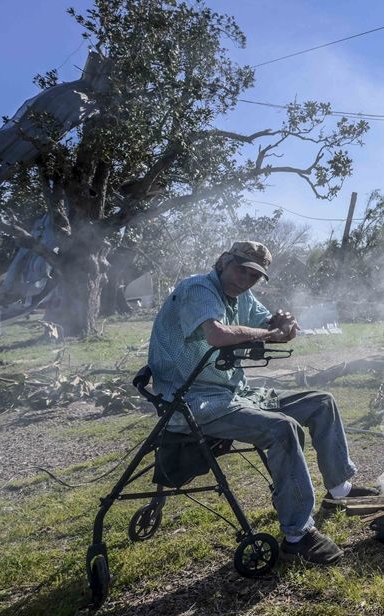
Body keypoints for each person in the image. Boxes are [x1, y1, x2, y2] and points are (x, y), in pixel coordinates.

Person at [148, 240, 371, 565]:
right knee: (284, 430)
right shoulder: (198, 287)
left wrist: (284, 325)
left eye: (254, 275)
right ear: (224, 260)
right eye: (242, 269)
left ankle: (339, 490)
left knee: (321, 402)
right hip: (194, 403)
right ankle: (298, 535)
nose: (246, 278)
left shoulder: (241, 296)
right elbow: (218, 335)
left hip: (235, 394)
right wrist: (267, 334)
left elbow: (270, 326)